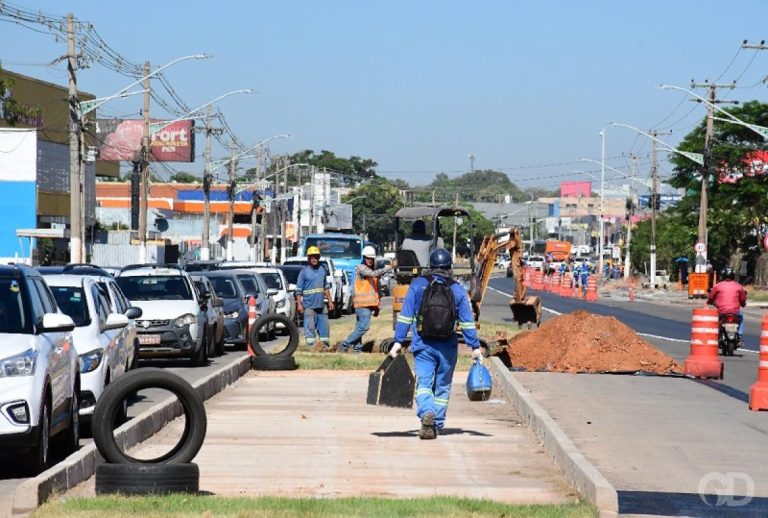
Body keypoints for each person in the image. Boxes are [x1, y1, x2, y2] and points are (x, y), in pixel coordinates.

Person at [389, 248, 480, 440]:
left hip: (423, 344)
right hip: (447, 347)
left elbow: (405, 317)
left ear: (430, 266)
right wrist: (475, 346)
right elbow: (467, 322)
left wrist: (398, 341)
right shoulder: (457, 289)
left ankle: (426, 413)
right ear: (449, 267)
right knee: (443, 387)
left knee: (423, 383)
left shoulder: (418, 285)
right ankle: (436, 423)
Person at [337, 246, 396, 353]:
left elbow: (376, 291)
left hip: (369, 306)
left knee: (359, 328)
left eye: (371, 258)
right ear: (364, 258)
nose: (369, 260)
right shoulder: (360, 268)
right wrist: (390, 266)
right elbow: (372, 274)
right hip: (362, 305)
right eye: (367, 258)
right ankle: (345, 344)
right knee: (364, 327)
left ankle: (357, 350)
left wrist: (377, 307)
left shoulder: (372, 271)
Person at [295, 246, 335, 351]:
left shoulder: (322, 270)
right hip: (308, 306)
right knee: (310, 328)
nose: (314, 259)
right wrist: (299, 304)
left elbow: (325, 287)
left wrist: (330, 301)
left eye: (316, 257)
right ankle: (311, 348)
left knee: (324, 328)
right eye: (312, 257)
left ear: (319, 258)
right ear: (308, 258)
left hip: (321, 306)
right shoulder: (304, 272)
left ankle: (325, 347)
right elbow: (298, 290)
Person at [707, 267, 747, 342]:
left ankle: (717, 335)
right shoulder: (739, 286)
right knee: (740, 319)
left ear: (723, 275)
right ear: (733, 276)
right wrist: (743, 304)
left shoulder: (718, 286)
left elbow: (711, 297)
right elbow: (743, 299)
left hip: (722, 311)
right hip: (735, 312)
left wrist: (710, 301)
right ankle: (740, 335)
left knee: (716, 321)